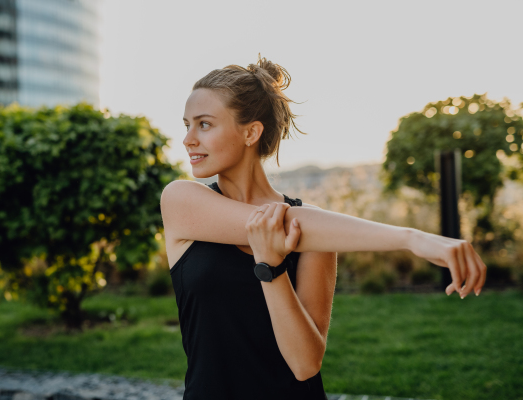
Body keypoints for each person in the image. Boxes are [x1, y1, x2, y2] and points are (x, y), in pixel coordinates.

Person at [160, 56, 487, 400]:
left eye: (204, 125)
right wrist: (412, 238)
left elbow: (305, 365)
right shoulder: (181, 201)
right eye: (187, 125)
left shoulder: (319, 230)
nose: (187, 139)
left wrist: (272, 270)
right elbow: (284, 223)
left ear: (251, 132)